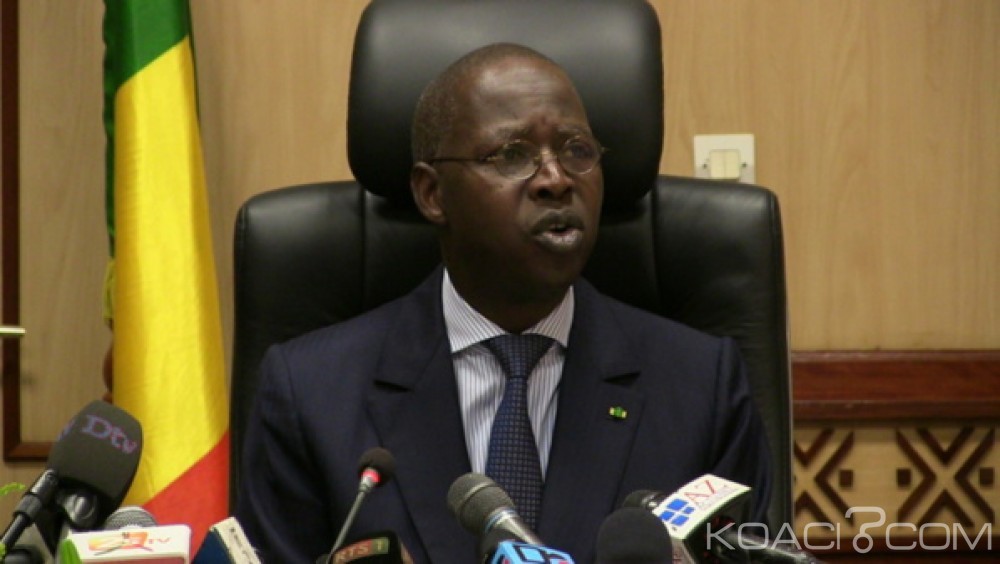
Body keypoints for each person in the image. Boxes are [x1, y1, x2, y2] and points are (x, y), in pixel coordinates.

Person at [236, 43, 772, 563]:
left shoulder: (700, 387)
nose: (556, 180)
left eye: (577, 151)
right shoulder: (311, 394)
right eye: (513, 155)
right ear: (432, 194)